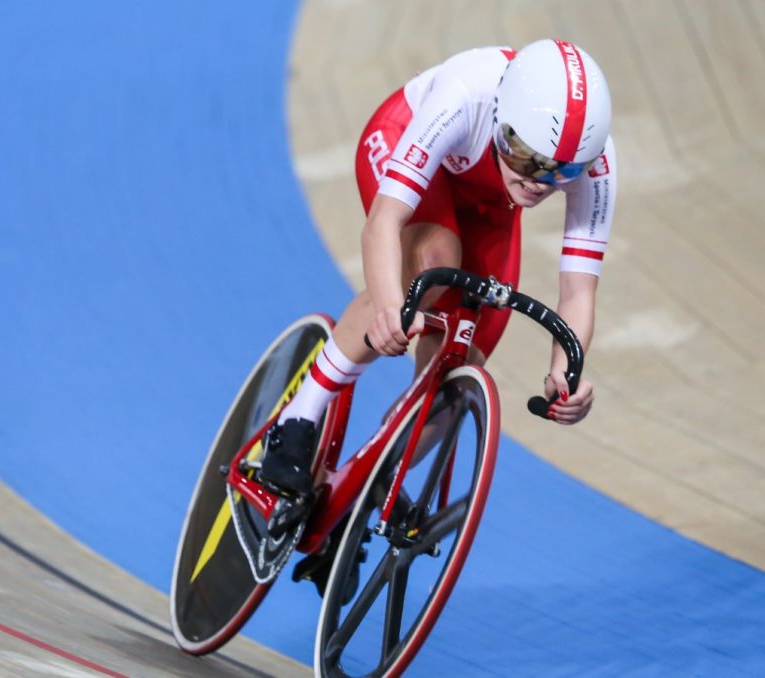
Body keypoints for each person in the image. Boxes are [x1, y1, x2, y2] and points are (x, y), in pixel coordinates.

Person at [259, 39, 617, 498]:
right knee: (432, 264)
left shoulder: (597, 164)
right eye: (525, 156)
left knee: (458, 376)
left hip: (488, 205)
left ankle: (366, 488)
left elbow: (578, 291)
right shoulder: (466, 93)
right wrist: (391, 306)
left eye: (560, 174)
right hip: (401, 141)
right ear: (501, 119)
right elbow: (385, 221)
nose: (537, 181)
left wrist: (566, 374)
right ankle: (298, 418)